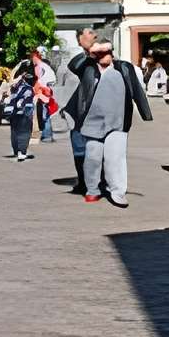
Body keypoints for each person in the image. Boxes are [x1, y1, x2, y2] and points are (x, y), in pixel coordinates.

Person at [64, 42, 151, 206]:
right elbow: (73, 65)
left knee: (115, 158)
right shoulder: (88, 68)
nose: (104, 56)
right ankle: (93, 189)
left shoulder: (123, 68)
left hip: (117, 122)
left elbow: (136, 90)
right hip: (92, 123)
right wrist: (89, 52)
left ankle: (117, 192)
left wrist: (145, 112)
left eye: (106, 52)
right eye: (100, 53)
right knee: (92, 158)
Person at [62, 25, 100, 195]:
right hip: (79, 114)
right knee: (79, 149)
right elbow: (75, 65)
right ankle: (84, 182)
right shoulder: (80, 60)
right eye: (90, 33)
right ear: (80, 39)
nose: (96, 35)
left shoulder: (101, 59)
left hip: (98, 114)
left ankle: (96, 183)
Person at [6, 58, 38, 161]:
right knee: (25, 130)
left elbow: (11, 79)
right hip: (26, 106)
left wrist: (18, 66)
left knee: (15, 129)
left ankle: (17, 150)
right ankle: (22, 151)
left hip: (14, 108)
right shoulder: (30, 77)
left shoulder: (15, 81)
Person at [32, 48, 58, 142]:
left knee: (44, 114)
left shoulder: (40, 66)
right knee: (45, 113)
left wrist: (36, 91)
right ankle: (46, 134)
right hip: (47, 89)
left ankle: (46, 135)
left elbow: (39, 81)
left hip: (44, 91)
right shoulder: (45, 66)